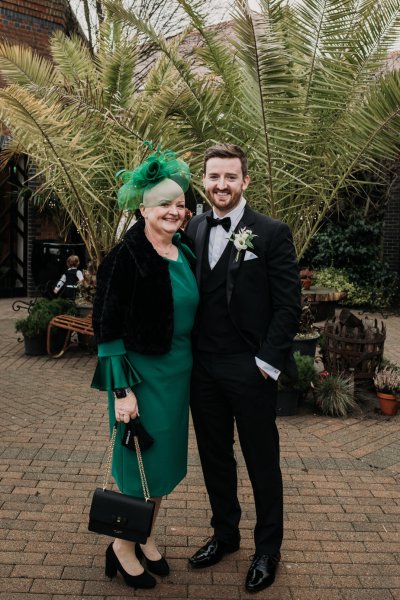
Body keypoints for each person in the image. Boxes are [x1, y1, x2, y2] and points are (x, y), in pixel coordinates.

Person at [185, 144, 301, 593]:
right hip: (203, 368)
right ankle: (225, 535)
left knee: (261, 461)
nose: (221, 185)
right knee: (215, 457)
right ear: (204, 179)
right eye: (214, 176)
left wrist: (266, 364)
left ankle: (267, 549)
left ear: (245, 181)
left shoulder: (271, 233)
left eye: (230, 177)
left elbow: (289, 306)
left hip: (250, 368)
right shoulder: (193, 226)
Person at [91, 149, 199, 590]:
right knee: (137, 465)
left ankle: (146, 534)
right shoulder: (125, 256)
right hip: (141, 378)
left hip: (178, 375)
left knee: (164, 466)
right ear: (143, 208)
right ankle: (121, 546)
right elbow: (106, 327)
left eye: (180, 204)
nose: (174, 211)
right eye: (164, 205)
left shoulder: (185, 252)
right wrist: (121, 393)